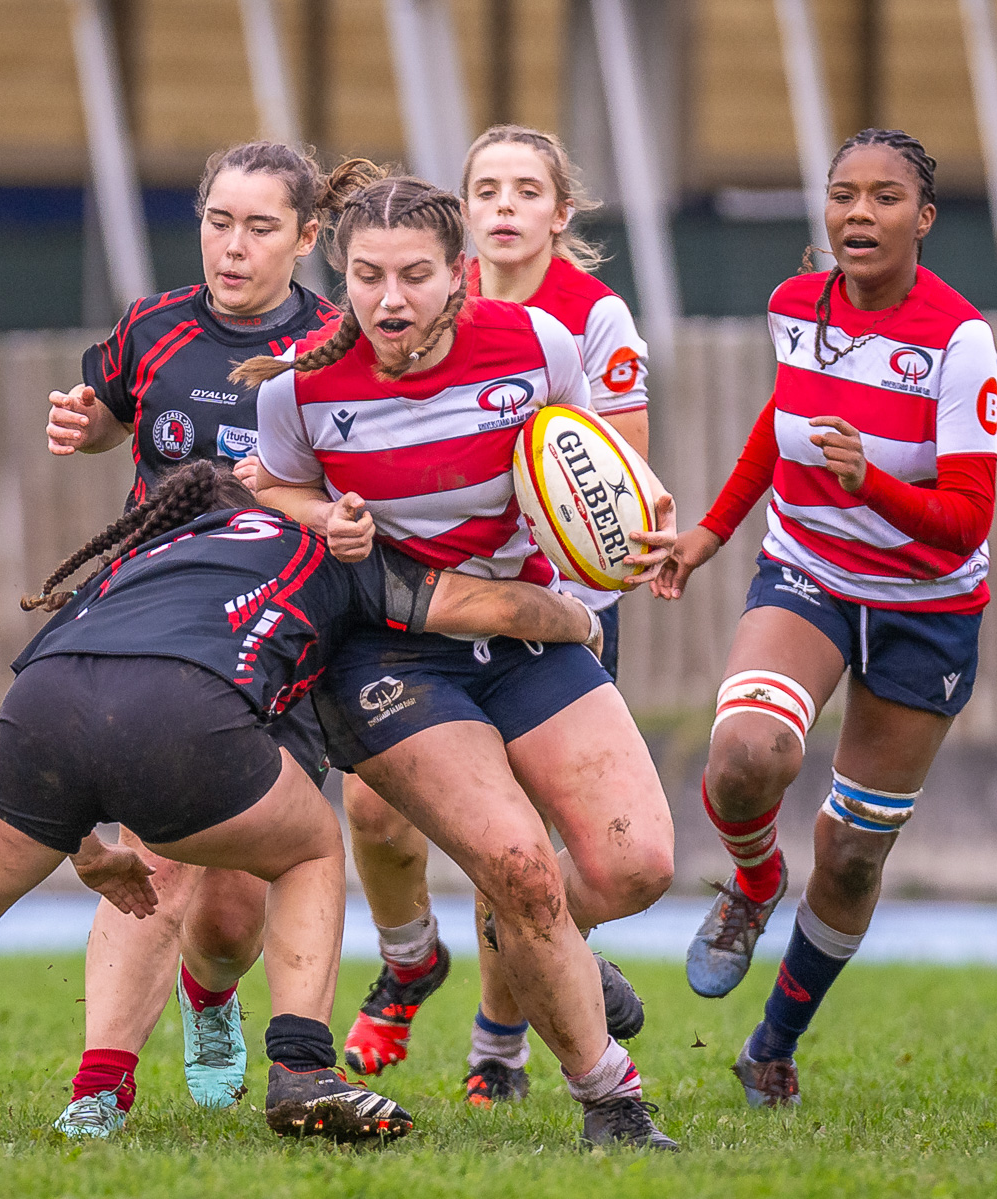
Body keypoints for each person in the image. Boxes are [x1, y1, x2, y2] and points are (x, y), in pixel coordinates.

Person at [0, 461, 606, 1147]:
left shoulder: (141, 558)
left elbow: (77, 705)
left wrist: (86, 843)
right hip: (185, 715)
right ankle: (303, 1069)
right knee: (312, 849)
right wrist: (579, 614)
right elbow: (485, 609)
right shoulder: (330, 545)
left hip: (40, 709)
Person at [240, 160, 683, 1150]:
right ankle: (612, 1103)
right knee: (522, 866)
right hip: (390, 656)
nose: (388, 299)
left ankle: (539, 937)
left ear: (460, 271)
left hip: (525, 631)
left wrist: (622, 544)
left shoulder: (535, 342)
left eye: (413, 275)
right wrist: (325, 514)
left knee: (639, 866)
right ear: (343, 274)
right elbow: (268, 492)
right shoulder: (306, 390)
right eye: (366, 276)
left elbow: (597, 472)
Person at [657, 129, 997, 1108]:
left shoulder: (959, 339)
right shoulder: (792, 307)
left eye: (884, 197)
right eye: (842, 194)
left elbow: (967, 519)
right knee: (745, 754)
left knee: (852, 849)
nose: (858, 213)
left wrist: (873, 482)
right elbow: (784, 415)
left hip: (924, 606)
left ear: (923, 218)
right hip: (807, 572)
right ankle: (753, 880)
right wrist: (711, 532)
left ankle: (772, 1044)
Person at [332, 126, 656, 1108]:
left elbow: (615, 482)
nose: (507, 205)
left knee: (521, 854)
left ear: (562, 212)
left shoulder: (583, 324)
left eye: (528, 189)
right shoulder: (381, 318)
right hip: (411, 627)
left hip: (556, 617)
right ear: (460, 214)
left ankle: (497, 1043)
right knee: (383, 813)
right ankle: (415, 960)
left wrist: (597, 567)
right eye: (488, 188)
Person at [43, 142, 344, 1130]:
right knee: (157, 858)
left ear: (306, 237)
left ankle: (210, 996)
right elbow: (109, 418)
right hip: (158, 626)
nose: (233, 244)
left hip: (278, 632)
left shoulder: (339, 345)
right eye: (219, 220)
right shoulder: (154, 326)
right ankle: (100, 1091)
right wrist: (82, 420)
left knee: (227, 918)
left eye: (260, 227)